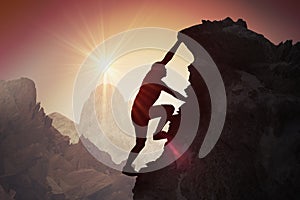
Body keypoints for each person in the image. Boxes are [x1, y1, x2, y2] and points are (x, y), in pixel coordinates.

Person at [122, 62, 186, 176]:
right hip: (141, 113)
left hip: (141, 112)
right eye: (164, 69)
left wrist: (179, 44)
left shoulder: (156, 80)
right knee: (168, 109)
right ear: (158, 71)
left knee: (141, 143)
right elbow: (175, 93)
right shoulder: (153, 79)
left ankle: (127, 166)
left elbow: (174, 93)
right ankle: (156, 133)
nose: (166, 70)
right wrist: (189, 100)